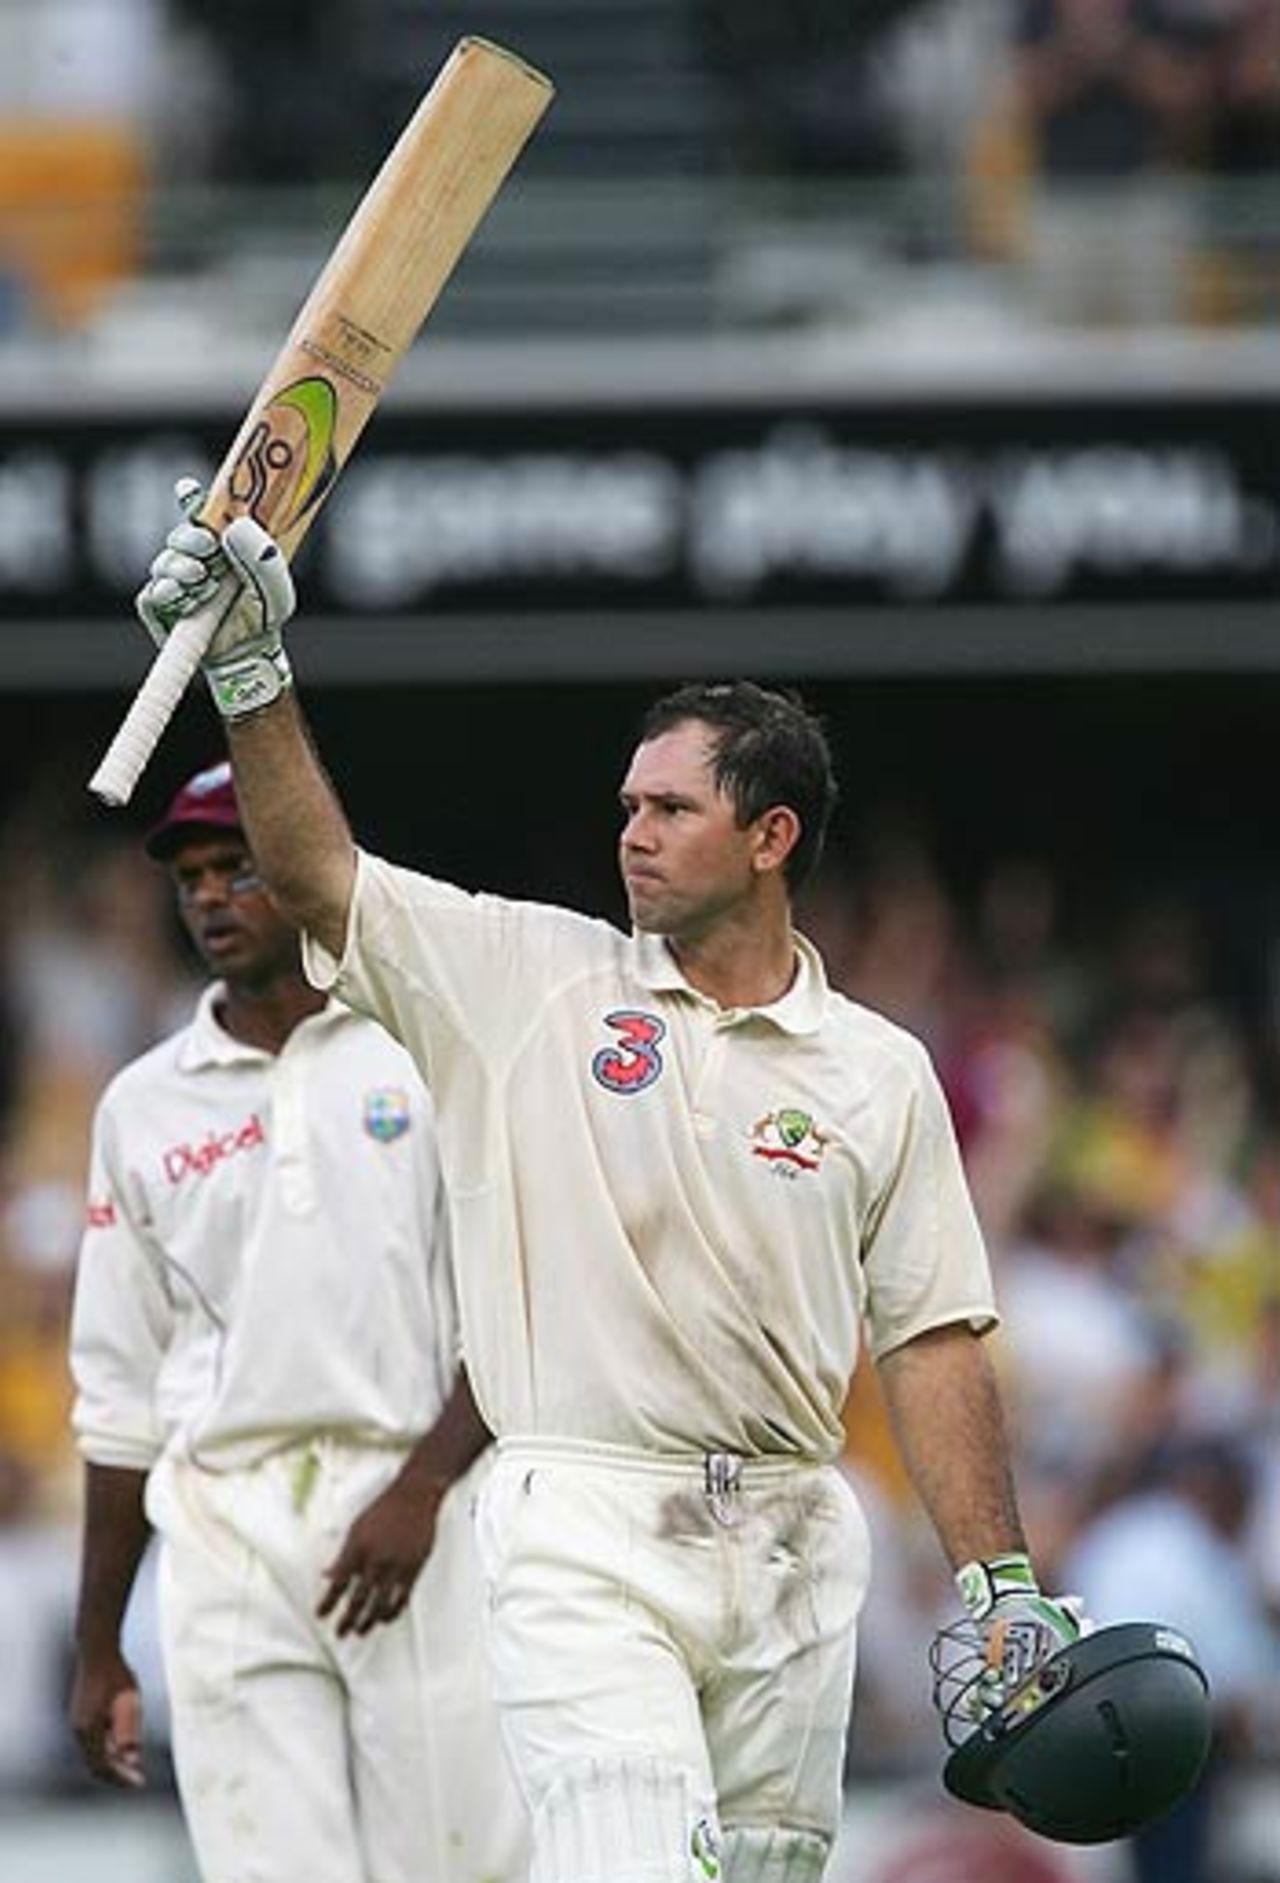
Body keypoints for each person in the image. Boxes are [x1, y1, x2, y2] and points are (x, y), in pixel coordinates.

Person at [128, 490, 1086, 1883]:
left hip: (791, 1534)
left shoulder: (879, 1071)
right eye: (628, 803)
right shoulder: (526, 979)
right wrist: (250, 674)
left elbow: (931, 1336)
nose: (631, 830)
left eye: (673, 807)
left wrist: (1001, 1580)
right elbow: (318, 872)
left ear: (770, 836)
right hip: (582, 1514)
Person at [67, 758, 528, 1883]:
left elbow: (515, 1307)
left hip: (415, 1516)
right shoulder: (143, 1102)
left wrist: (421, 1486)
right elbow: (120, 1390)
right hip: (226, 1527)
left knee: (460, 1867)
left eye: (240, 869)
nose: (211, 898)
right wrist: (97, 1648)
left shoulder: (423, 1052)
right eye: (191, 877)